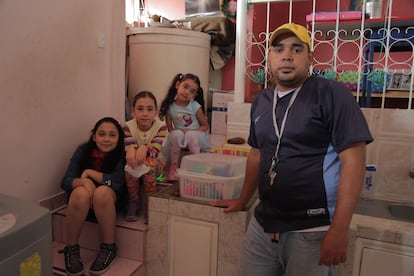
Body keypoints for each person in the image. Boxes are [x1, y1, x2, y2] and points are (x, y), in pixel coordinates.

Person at [210, 23, 373, 276]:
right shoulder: (262, 100)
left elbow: (353, 160)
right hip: (264, 223)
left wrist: (340, 228)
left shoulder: (332, 94)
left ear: (309, 57)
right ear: (270, 57)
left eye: (296, 49)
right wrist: (243, 200)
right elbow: (257, 153)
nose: (286, 55)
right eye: (279, 49)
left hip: (311, 230)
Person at [59, 117, 126, 276]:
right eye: (102, 134)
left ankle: (108, 248)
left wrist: (90, 174)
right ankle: (72, 249)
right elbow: (66, 181)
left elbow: (116, 182)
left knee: (102, 192)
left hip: (108, 203)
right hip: (82, 204)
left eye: (112, 135)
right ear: (94, 136)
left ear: (119, 138)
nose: (107, 139)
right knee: (79, 191)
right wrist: (83, 182)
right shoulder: (82, 151)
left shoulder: (122, 154)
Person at [123, 91, 167, 222]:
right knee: (130, 166)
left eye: (149, 109)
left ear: (155, 112)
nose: (145, 113)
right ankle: (133, 202)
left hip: (156, 163)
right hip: (136, 161)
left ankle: (150, 203)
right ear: (133, 111)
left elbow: (155, 151)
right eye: (140, 109)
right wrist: (132, 151)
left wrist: (145, 147)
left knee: (150, 165)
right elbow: (129, 149)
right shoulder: (127, 127)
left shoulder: (161, 127)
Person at [159, 73, 211, 181]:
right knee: (176, 134)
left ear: (195, 95)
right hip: (181, 136)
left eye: (191, 91)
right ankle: (174, 168)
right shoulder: (170, 107)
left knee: (190, 135)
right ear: (178, 85)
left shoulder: (194, 106)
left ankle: (196, 167)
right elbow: (170, 129)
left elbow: (205, 126)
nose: (187, 92)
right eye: (185, 87)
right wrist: (181, 133)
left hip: (197, 136)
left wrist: (188, 131)